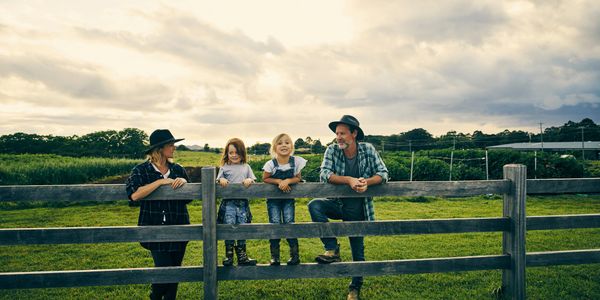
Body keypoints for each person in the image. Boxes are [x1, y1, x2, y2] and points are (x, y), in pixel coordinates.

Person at [308, 115, 389, 300]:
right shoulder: (332, 150)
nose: (339, 137)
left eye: (342, 133)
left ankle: (355, 287)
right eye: (337, 133)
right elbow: (325, 174)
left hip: (358, 209)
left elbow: (383, 174)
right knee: (315, 205)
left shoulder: (368, 149)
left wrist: (366, 183)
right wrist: (349, 180)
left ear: (354, 134)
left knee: (357, 251)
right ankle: (332, 248)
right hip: (336, 203)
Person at [125, 129, 190, 300]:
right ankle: (155, 296)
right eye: (171, 145)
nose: (174, 148)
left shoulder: (178, 169)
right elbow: (135, 194)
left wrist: (184, 182)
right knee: (164, 271)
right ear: (160, 148)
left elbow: (189, 198)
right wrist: (161, 182)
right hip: (154, 229)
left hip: (179, 227)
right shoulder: (141, 170)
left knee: (174, 273)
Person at [262, 133, 307, 266]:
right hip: (273, 200)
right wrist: (278, 181)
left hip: (288, 199)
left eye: (287, 142)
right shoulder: (271, 164)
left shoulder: (296, 162)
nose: (284, 145)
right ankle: (275, 256)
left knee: (289, 223)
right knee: (274, 223)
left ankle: (294, 255)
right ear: (275, 147)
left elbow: (298, 178)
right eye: (280, 143)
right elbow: (265, 178)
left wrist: (288, 180)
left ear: (291, 146)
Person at [216, 138, 258, 266]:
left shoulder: (246, 167)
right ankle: (228, 255)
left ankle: (242, 256)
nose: (234, 155)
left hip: (242, 204)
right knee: (229, 227)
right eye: (231, 153)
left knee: (242, 227)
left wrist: (249, 180)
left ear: (242, 153)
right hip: (228, 204)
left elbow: (253, 179)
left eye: (237, 152)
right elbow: (219, 180)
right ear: (227, 154)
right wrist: (221, 179)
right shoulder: (224, 167)